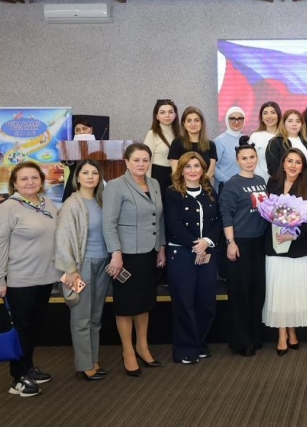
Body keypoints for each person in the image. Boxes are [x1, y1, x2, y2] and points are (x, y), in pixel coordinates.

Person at [0, 161, 60, 397]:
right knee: (21, 329)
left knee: (34, 327)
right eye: (24, 179)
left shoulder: (46, 203)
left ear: (41, 181)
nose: (30, 182)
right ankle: (18, 378)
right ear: (14, 184)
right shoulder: (8, 208)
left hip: (45, 277)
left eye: (34, 178)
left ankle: (27, 367)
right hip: (21, 279)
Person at [103, 143, 167, 377]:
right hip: (126, 255)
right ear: (126, 162)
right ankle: (128, 351)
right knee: (126, 304)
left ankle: (142, 346)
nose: (141, 164)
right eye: (136, 160)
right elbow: (109, 223)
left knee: (145, 301)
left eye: (145, 160)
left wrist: (161, 248)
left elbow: (159, 218)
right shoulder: (115, 186)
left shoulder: (154, 183)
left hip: (150, 253)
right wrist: (115, 253)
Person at [163, 152, 222, 364]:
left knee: (206, 302)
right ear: (181, 170)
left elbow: (218, 221)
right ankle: (185, 349)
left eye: (197, 166)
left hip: (207, 252)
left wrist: (207, 241)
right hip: (182, 254)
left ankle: (200, 343)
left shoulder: (210, 192)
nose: (193, 170)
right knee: (184, 302)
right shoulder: (172, 194)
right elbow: (173, 224)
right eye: (188, 166)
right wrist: (196, 245)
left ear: (203, 169)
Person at [55, 160, 112, 381]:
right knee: (81, 317)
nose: (90, 176)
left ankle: (94, 361)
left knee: (95, 317)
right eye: (85, 172)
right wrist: (70, 270)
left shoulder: (102, 201)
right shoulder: (71, 204)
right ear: (77, 177)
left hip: (103, 264)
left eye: (94, 173)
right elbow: (62, 240)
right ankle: (83, 365)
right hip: (81, 266)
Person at [264, 149, 307, 356]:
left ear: (303, 166)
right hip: (275, 245)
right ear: (283, 163)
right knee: (279, 291)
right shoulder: (272, 183)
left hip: (299, 246)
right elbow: (267, 212)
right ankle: (282, 335)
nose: (293, 165)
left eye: (298, 162)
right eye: (289, 161)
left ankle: (293, 331)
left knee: (294, 291)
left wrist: (294, 235)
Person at [219, 136, 269, 357]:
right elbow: (226, 215)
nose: (249, 161)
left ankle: (255, 337)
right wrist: (231, 242)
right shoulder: (232, 184)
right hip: (240, 244)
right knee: (240, 294)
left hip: (259, 243)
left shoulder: (260, 180)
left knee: (257, 292)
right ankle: (241, 341)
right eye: (244, 158)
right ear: (237, 160)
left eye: (252, 157)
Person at [265, 109, 307, 184]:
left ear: (301, 124)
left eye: (298, 121)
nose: (294, 124)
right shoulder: (275, 142)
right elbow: (272, 168)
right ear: (284, 123)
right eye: (290, 121)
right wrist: (287, 184)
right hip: (284, 186)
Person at [170, 106, 217, 179]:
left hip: (204, 184)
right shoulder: (176, 143)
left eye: (196, 120)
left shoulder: (211, 145)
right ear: (184, 124)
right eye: (189, 121)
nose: (193, 124)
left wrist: (200, 184)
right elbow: (175, 171)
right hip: (182, 185)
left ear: (202, 123)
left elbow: (210, 172)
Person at [143, 99, 180, 191]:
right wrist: (147, 182)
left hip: (177, 175)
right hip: (158, 175)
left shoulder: (180, 134)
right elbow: (147, 159)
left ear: (175, 115)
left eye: (170, 112)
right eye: (162, 112)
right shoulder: (152, 134)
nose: (167, 115)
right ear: (157, 116)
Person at [213, 106, 246, 191]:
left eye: (240, 118)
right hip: (225, 187)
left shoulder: (246, 139)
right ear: (227, 120)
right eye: (232, 119)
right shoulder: (219, 141)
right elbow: (213, 167)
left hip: (244, 187)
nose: (236, 122)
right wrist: (228, 181)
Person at [249, 101, 282, 182]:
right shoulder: (255, 136)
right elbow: (251, 161)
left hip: (283, 183)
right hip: (260, 181)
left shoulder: (285, 137)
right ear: (262, 118)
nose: (269, 116)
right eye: (265, 113)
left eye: (273, 112)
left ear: (278, 115)